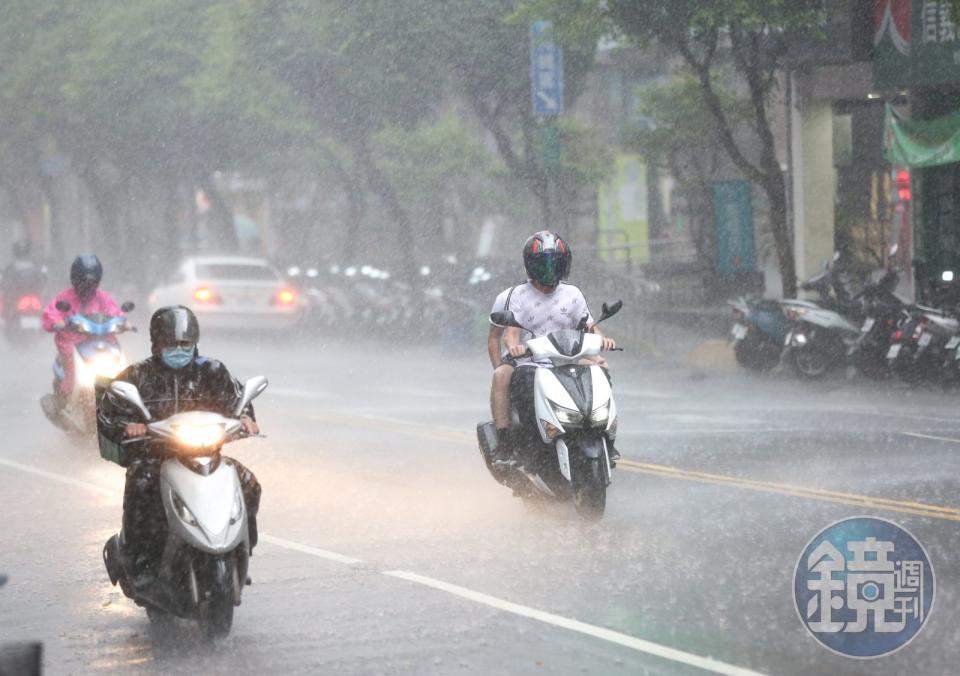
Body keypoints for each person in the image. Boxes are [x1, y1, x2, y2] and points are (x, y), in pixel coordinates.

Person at [98, 305, 262, 582]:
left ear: (195, 343)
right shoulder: (137, 376)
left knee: (248, 483)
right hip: (156, 457)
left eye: (185, 344)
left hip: (207, 455)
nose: (178, 349)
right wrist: (128, 426)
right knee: (141, 484)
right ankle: (139, 560)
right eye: (170, 344)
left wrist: (245, 417)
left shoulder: (212, 371)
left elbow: (236, 402)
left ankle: (240, 551)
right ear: (156, 343)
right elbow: (108, 413)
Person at [490, 231, 617, 467]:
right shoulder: (517, 296)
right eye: (543, 264)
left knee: (601, 367)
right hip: (531, 361)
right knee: (502, 376)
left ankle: (606, 436)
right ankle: (507, 441)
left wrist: (603, 340)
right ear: (530, 265)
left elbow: (590, 327)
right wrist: (515, 348)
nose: (550, 270)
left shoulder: (573, 293)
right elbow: (511, 335)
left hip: (569, 357)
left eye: (555, 263)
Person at [41, 255, 122, 404]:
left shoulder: (103, 298)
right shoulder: (65, 297)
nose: (87, 286)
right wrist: (56, 322)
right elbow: (50, 313)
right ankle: (67, 395)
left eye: (91, 282)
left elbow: (115, 312)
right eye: (83, 281)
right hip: (72, 345)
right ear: (75, 280)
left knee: (120, 364)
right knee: (70, 363)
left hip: (101, 343)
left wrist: (123, 322)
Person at [1, 240, 46, 313]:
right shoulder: (36, 267)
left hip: (19, 299)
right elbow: (43, 280)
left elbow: (5, 283)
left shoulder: (11, 268)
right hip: (29, 297)